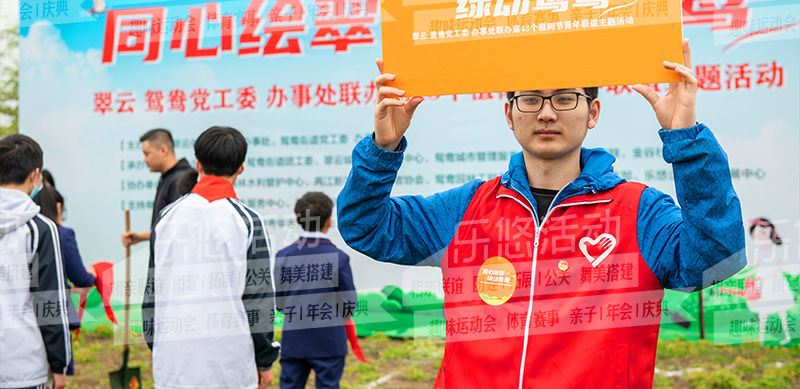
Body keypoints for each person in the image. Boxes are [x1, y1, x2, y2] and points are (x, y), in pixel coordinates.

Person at [337, 40, 747, 388]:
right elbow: (366, 227)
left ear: (593, 112)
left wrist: (686, 140)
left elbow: (716, 259)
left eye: (565, 98)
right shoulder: (467, 208)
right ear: (509, 113)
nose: (547, 113)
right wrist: (383, 148)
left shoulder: (639, 212)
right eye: (530, 99)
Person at [142, 126, 280, 389]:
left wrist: (159, 346)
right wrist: (264, 360)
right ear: (241, 167)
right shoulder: (248, 221)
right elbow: (259, 299)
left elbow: (151, 293)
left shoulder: (166, 217)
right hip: (229, 364)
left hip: (173, 363)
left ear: (198, 164)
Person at [0, 134, 71, 389]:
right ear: (35, 175)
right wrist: (60, 365)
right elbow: (50, 301)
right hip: (23, 366)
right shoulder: (40, 229)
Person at [275, 192, 357, 389]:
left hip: (294, 341)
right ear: (329, 221)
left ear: (298, 220)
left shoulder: (283, 256)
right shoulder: (339, 257)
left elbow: (280, 304)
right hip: (329, 341)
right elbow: (349, 306)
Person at [34, 187, 97, 347]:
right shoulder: (62, 234)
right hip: (55, 314)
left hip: (30, 314)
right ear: (58, 207)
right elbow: (81, 278)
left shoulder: (30, 234)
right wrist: (92, 275)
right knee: (60, 358)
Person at [121, 129, 193, 247]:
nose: (144, 160)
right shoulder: (168, 177)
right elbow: (164, 227)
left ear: (163, 150)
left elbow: (178, 230)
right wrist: (141, 237)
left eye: (146, 153)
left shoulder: (180, 180)